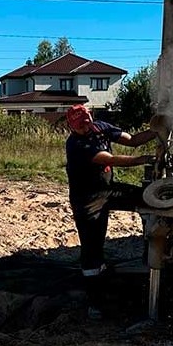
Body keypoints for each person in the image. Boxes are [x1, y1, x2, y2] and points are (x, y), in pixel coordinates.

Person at [64, 103, 160, 319]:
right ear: (72, 127)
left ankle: (153, 242)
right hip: (87, 200)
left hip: (108, 190)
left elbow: (133, 140)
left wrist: (158, 130)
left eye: (87, 122)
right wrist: (143, 160)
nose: (85, 127)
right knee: (92, 248)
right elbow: (109, 159)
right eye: (81, 126)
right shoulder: (75, 145)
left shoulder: (100, 127)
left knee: (147, 199)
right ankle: (94, 302)